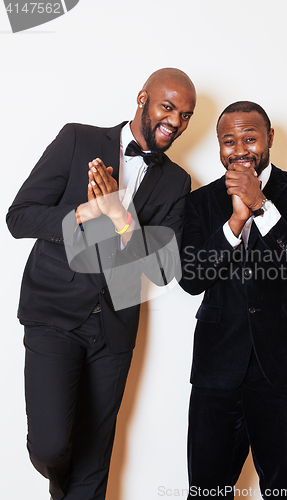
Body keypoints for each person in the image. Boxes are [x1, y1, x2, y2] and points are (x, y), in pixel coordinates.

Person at [6, 68, 196, 500]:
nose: (176, 121)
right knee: (51, 445)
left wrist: (120, 219)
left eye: (186, 115)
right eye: (168, 107)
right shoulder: (78, 140)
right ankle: (60, 483)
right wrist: (84, 214)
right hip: (54, 314)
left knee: (95, 460)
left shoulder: (176, 181)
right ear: (143, 97)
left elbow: (165, 268)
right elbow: (18, 216)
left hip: (114, 329)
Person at [180, 101, 287, 499]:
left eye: (250, 137)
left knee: (284, 489)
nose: (240, 149)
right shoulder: (200, 202)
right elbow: (191, 280)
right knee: (207, 490)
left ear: (269, 139)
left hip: (284, 364)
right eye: (229, 141)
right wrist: (234, 223)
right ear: (218, 146)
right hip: (218, 363)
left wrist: (262, 206)